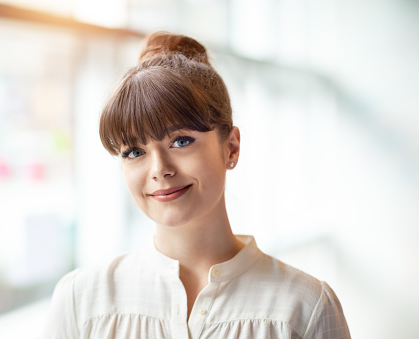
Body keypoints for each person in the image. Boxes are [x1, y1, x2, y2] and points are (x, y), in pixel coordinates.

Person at [44, 32, 351, 339]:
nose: (159, 169)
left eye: (181, 141)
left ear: (231, 147)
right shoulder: (81, 300)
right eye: (135, 152)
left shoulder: (304, 307)